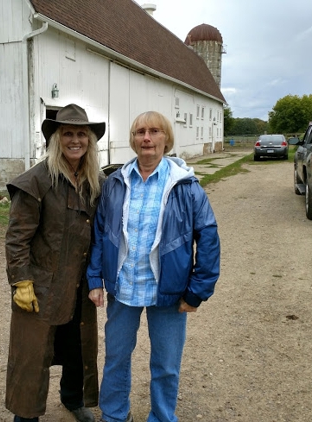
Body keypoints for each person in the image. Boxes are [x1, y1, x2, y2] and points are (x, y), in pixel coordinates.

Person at [87, 111, 220, 422]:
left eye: (154, 132)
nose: (146, 138)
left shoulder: (185, 186)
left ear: (166, 140)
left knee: (166, 364)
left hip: (169, 292)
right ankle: (114, 415)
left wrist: (197, 291)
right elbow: (100, 233)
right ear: (133, 140)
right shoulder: (115, 183)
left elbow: (209, 237)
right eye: (140, 132)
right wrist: (95, 278)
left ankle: (161, 417)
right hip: (124, 286)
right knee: (116, 357)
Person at [5, 104, 106, 422]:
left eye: (81, 134)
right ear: (56, 139)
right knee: (32, 357)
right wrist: (20, 280)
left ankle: (73, 400)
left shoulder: (93, 182)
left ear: (89, 141)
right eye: (68, 134)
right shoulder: (36, 181)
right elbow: (16, 238)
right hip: (40, 286)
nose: (75, 140)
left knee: (77, 349)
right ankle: (26, 416)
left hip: (79, 284)